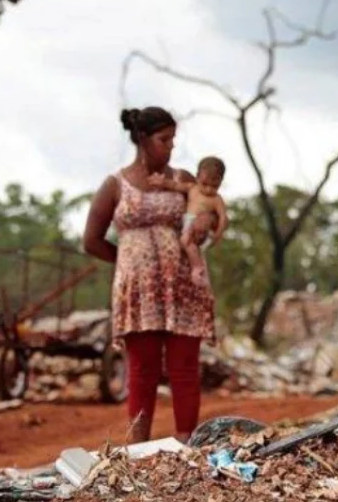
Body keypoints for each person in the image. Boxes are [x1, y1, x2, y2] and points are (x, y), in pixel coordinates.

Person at [83, 106, 216, 443]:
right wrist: (128, 263)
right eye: (164, 139)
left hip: (183, 287)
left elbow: (208, 212)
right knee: (142, 372)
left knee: (184, 370)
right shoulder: (115, 185)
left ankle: (187, 445)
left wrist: (205, 223)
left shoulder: (183, 180)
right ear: (142, 139)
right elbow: (91, 240)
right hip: (138, 292)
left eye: (173, 139)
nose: (171, 146)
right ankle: (137, 449)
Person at [147, 155, 228, 285]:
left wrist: (218, 233)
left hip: (201, 227)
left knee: (186, 241)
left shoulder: (216, 199)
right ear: (197, 177)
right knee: (188, 244)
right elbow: (175, 185)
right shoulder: (192, 188)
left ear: (220, 182)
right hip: (189, 222)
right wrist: (162, 182)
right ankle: (196, 266)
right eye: (204, 184)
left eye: (214, 186)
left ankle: (197, 267)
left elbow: (223, 217)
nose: (208, 190)